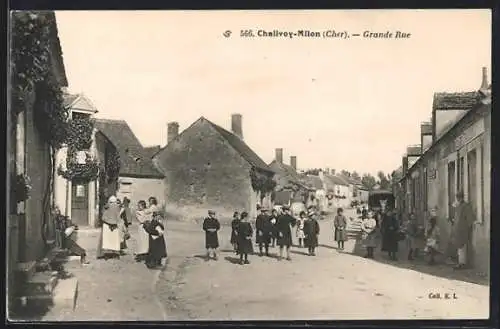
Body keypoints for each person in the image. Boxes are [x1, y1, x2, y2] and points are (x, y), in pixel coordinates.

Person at [451, 190, 476, 269]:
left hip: (463, 230)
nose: (458, 199)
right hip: (458, 230)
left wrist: (468, 228)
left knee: (463, 246)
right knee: (459, 246)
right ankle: (460, 262)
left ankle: (463, 263)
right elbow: (456, 218)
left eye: (459, 197)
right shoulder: (458, 206)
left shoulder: (466, 206)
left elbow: (469, 219)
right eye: (457, 197)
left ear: (462, 197)